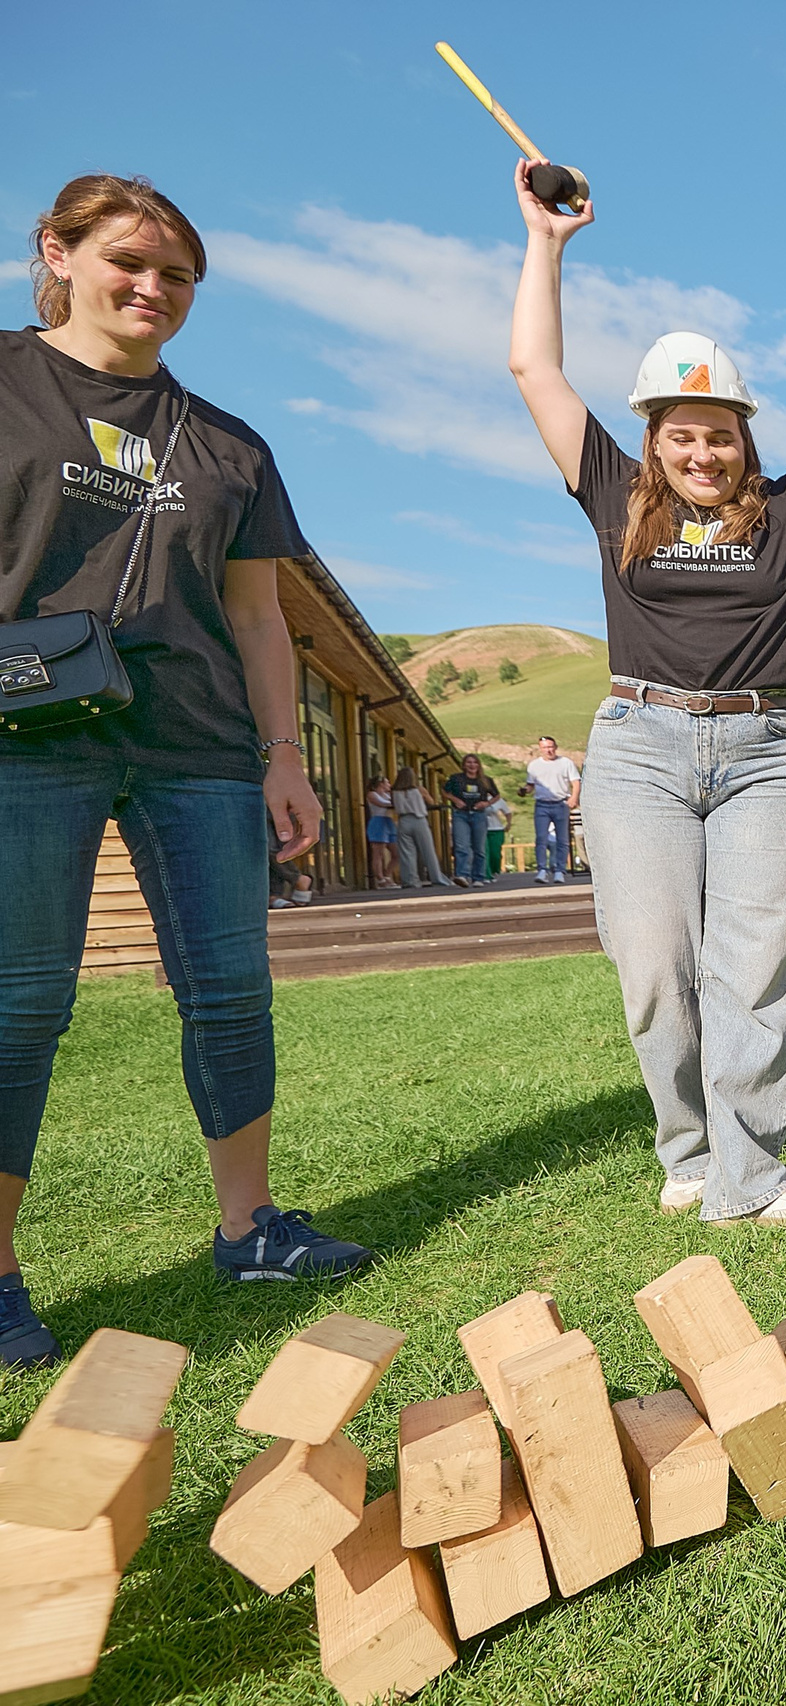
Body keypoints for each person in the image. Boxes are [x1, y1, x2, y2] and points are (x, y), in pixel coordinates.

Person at [0, 175, 376, 1366]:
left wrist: (284, 758)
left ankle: (249, 1226)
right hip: (25, 740)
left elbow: (261, 619)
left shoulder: (228, 443)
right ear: (55, 252)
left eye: (177, 276)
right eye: (128, 261)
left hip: (199, 747)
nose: (152, 288)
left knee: (228, 991)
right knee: (20, 1006)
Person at [506, 157, 786, 1227]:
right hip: (637, 744)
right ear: (653, 438)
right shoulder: (613, 494)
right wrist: (545, 247)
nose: (700, 448)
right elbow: (534, 372)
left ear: (744, 437)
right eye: (679, 431)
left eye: (718, 430)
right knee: (653, 968)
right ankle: (686, 1151)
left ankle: (751, 1178)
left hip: (767, 748)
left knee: (752, 968)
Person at [521, 734, 579, 884]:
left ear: (555, 748)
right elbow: (531, 785)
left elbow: (575, 782)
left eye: (550, 747)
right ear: (540, 749)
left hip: (560, 803)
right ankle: (542, 870)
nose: (548, 750)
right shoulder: (534, 765)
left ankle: (559, 870)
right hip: (542, 804)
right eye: (545, 748)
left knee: (562, 839)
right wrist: (524, 790)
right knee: (541, 838)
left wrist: (573, 797)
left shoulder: (565, 763)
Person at [442, 752, 499, 887]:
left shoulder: (485, 780)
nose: (472, 765)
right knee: (462, 845)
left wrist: (487, 804)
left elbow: (496, 795)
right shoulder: (456, 779)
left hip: (479, 814)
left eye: (474, 762)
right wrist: (455, 800)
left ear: (478, 765)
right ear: (464, 765)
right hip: (461, 814)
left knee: (479, 847)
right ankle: (462, 875)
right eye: (469, 762)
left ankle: (478, 877)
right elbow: (444, 791)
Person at [388, 763, 444, 887]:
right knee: (428, 850)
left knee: (407, 852)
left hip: (403, 820)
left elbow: (393, 804)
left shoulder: (394, 791)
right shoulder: (419, 790)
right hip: (419, 819)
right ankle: (437, 878)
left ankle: (410, 880)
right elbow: (431, 801)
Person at [364, 774, 397, 889]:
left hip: (389, 822)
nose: (389, 785)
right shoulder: (372, 794)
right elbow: (382, 804)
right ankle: (380, 879)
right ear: (381, 784)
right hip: (378, 821)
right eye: (387, 782)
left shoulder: (388, 795)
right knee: (378, 853)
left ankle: (387, 875)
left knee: (397, 852)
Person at [481, 786, 512, 880]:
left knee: (495, 853)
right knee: (485, 852)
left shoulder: (498, 800)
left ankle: (494, 870)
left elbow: (507, 812)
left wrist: (508, 823)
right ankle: (486, 875)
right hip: (482, 830)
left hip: (496, 829)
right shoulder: (477, 799)